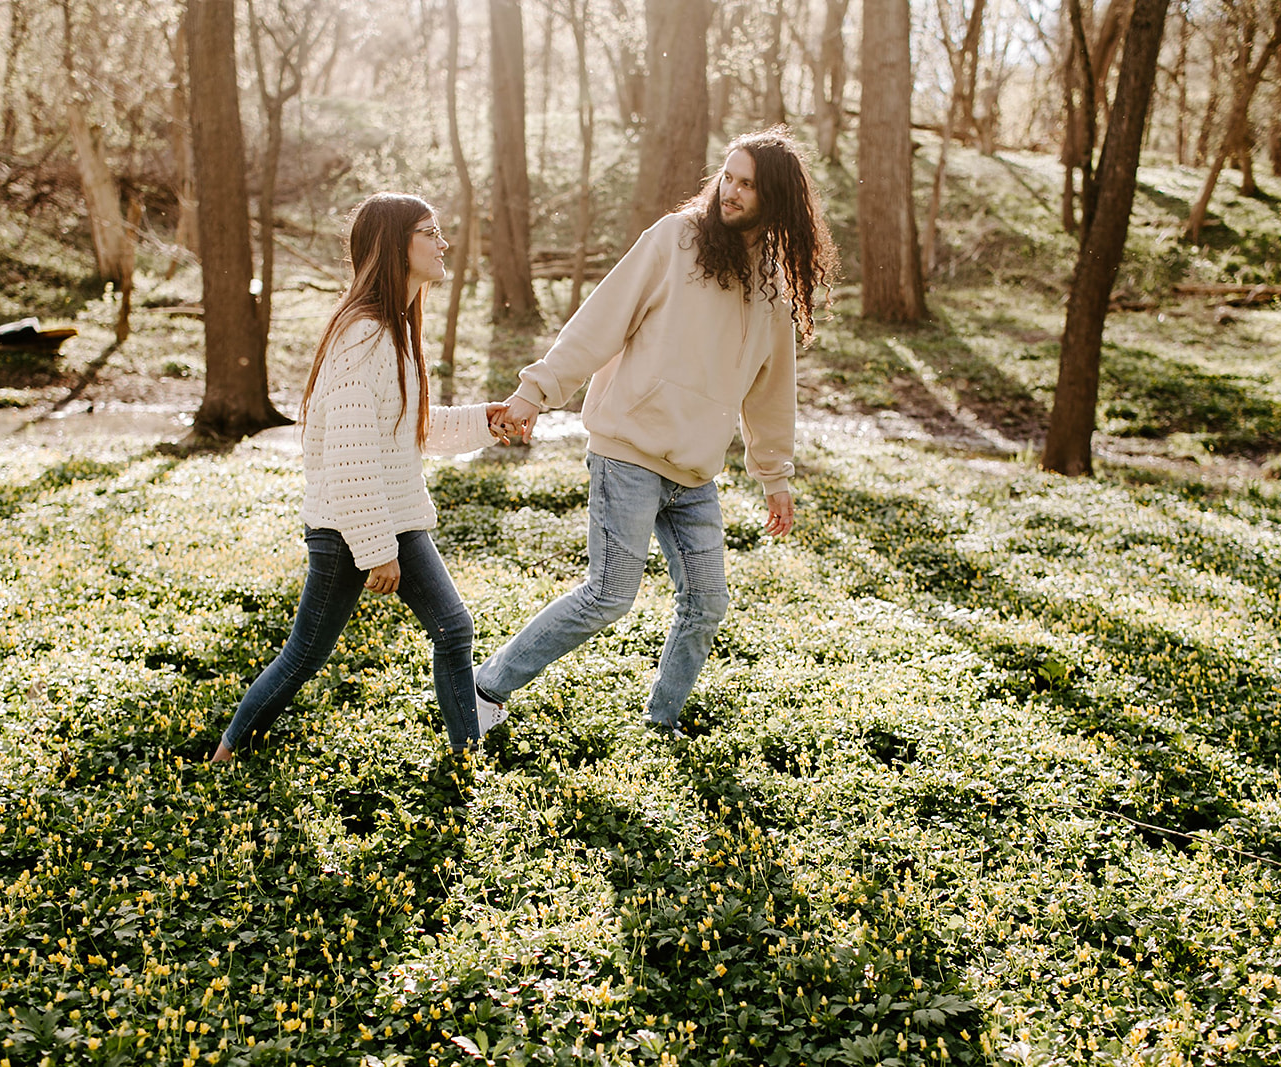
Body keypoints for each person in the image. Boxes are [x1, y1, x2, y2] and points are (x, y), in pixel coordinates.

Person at [476, 126, 838, 738]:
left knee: (706, 604)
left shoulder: (775, 282)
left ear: (775, 199)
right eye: (728, 176)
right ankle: (485, 685)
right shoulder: (675, 240)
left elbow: (773, 389)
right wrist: (536, 391)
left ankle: (660, 722)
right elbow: (600, 322)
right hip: (630, 453)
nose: (731, 191)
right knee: (610, 595)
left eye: (748, 184)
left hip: (694, 471)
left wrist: (774, 475)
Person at [211, 193, 511, 763]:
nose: (443, 243)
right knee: (305, 653)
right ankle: (228, 752)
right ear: (395, 247)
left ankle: (467, 761)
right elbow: (351, 455)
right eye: (431, 232)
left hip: (392, 516)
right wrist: (376, 550)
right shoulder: (364, 336)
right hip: (351, 524)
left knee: (452, 628)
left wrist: (485, 421)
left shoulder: (393, 331)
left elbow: (409, 430)